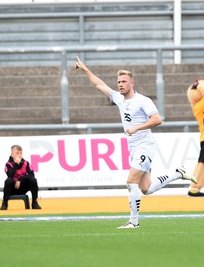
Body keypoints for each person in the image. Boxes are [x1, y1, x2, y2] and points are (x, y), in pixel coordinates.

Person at [75, 57, 197, 229]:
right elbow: (99, 84)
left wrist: (137, 128)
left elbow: (157, 119)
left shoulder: (143, 101)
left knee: (131, 181)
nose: (120, 84)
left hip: (145, 146)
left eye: (124, 81)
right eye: (118, 81)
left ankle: (133, 222)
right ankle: (177, 173)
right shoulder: (118, 98)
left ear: (132, 83)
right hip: (134, 148)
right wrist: (84, 68)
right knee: (146, 189)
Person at [0, 145, 41, 210]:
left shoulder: (26, 163)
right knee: (8, 181)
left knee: (33, 180)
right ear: (12, 154)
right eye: (17, 153)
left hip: (23, 186)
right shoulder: (8, 164)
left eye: (20, 153)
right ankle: (5, 202)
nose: (19, 155)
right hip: (13, 188)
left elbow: (31, 174)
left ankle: (34, 202)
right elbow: (10, 175)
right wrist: (16, 164)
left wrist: (19, 180)